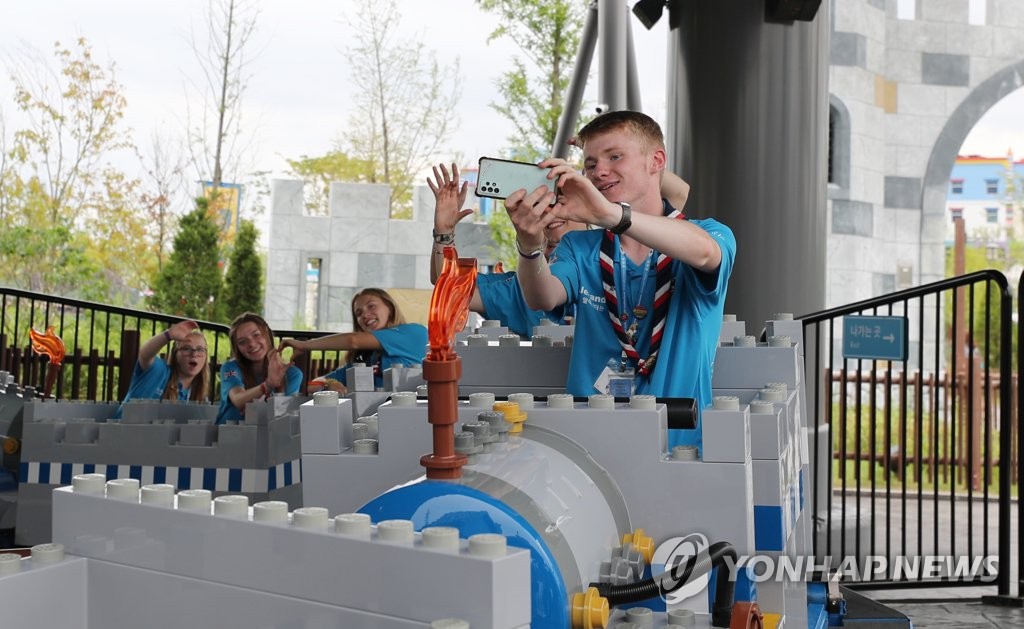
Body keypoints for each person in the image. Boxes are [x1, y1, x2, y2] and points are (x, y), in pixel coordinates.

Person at [504, 110, 735, 450]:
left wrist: (610, 215)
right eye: (591, 162)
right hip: (590, 442)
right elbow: (543, 297)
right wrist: (528, 244)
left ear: (656, 160)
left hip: (676, 442)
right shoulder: (580, 246)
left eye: (615, 156)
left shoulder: (708, 233)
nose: (599, 171)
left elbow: (704, 253)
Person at [427, 161, 691, 337]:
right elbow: (449, 286)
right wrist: (444, 231)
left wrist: (597, 164)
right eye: (541, 207)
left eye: (562, 202)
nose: (553, 212)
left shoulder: (627, 254)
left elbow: (678, 192)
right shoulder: (518, 285)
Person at [279, 288, 428, 393]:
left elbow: (353, 340)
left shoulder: (414, 333)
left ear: (389, 307)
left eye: (371, 306)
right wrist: (329, 385)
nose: (365, 315)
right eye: (359, 313)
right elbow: (314, 383)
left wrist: (305, 346)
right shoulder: (365, 358)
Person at [217, 313, 303, 424]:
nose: (251, 344)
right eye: (242, 342)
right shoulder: (230, 367)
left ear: (267, 335)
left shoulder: (292, 374)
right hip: (228, 436)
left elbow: (283, 415)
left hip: (267, 437)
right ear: (237, 348)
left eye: (256, 335)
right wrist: (268, 385)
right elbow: (238, 399)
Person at [116, 320, 211, 419]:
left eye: (200, 349)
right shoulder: (160, 371)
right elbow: (145, 355)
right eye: (186, 348)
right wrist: (168, 335)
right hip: (118, 432)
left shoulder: (200, 397)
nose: (194, 354)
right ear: (175, 355)